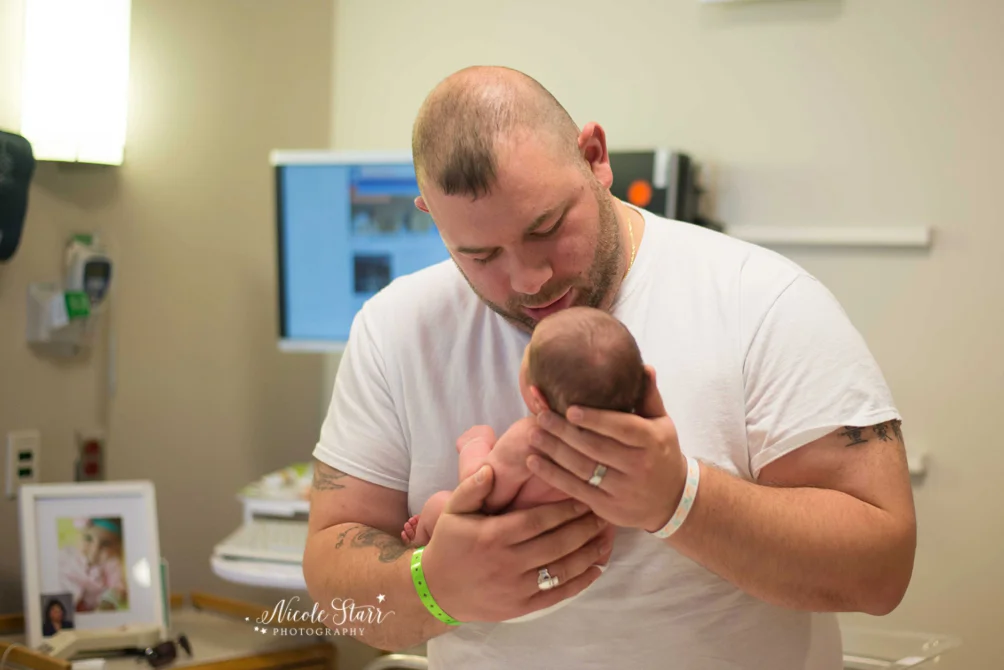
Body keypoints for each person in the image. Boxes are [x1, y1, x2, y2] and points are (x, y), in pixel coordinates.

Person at [304, 65, 916, 669]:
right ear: (430, 217)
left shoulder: (761, 300)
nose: (529, 280)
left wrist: (679, 498)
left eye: (546, 227)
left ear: (594, 156)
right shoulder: (394, 329)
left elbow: (880, 572)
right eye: (480, 254)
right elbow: (334, 574)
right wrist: (435, 586)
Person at [402, 305, 645, 548]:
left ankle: (422, 539)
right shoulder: (619, 448)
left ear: (537, 398)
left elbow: (479, 489)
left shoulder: (530, 440)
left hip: (509, 547)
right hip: (580, 549)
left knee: (439, 503)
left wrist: (475, 444)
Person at [58, 518, 128, 612]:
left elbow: (116, 587)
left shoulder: (112, 564)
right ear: (78, 536)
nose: (95, 549)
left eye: (105, 544)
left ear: (117, 548)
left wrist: (109, 600)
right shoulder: (67, 553)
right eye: (88, 538)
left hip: (91, 607)